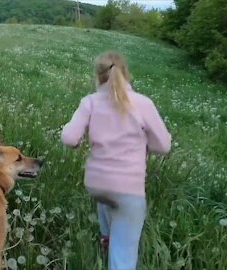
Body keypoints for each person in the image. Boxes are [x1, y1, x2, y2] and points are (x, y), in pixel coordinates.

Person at [61, 51, 171, 270]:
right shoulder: (142, 103)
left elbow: (69, 137)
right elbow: (164, 146)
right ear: (126, 74)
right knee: (124, 255)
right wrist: (144, 143)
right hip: (128, 189)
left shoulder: (90, 102)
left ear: (98, 75)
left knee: (108, 201)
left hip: (96, 185)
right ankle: (114, 250)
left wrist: (79, 142)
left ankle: (106, 238)